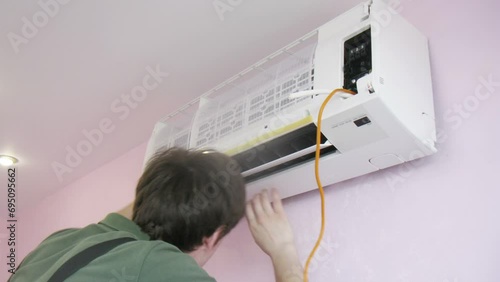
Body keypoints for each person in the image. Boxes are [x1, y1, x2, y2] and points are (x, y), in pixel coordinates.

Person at [9, 147, 303, 281]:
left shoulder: (61, 241)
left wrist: (177, 179)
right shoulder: (160, 264)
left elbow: (132, 211)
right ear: (212, 237)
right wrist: (284, 252)